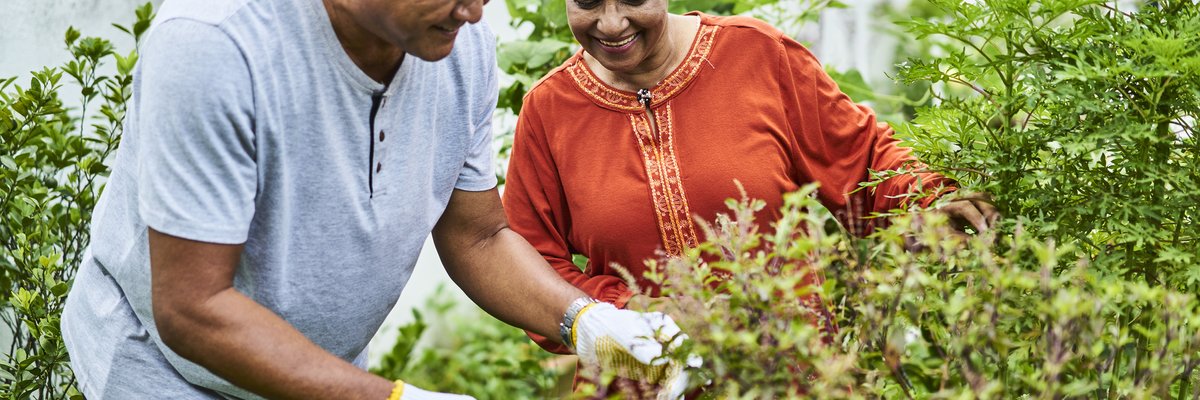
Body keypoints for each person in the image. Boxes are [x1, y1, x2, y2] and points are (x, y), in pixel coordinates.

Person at [59, 0, 694, 398]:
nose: (475, 11)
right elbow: (194, 307)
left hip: (320, 371)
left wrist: (587, 323)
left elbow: (475, 235)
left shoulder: (459, 46)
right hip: (166, 373)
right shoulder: (215, 45)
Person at [501, 0, 1000, 394]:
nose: (611, 24)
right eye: (587, 2)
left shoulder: (755, 53)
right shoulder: (550, 111)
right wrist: (634, 311)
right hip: (641, 386)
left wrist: (928, 201)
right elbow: (526, 266)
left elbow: (862, 157)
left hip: (795, 376)